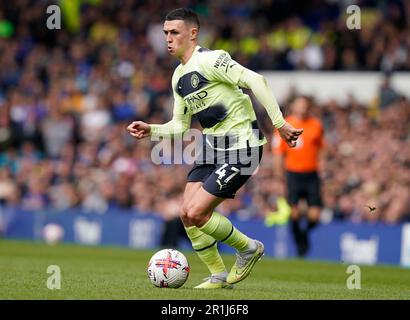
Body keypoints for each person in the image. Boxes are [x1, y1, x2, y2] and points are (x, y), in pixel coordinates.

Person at [127, 8, 303, 289]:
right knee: (186, 212)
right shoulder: (178, 76)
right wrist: (152, 130)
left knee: (197, 212)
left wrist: (280, 124)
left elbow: (257, 81)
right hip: (211, 148)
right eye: (165, 33)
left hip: (243, 146)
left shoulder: (212, 59)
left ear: (193, 33)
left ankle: (248, 248)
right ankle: (219, 275)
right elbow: (180, 125)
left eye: (174, 32)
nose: (168, 39)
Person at [273, 96, 324, 257]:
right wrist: (279, 175)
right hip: (293, 174)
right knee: (294, 213)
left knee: (315, 215)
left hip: (311, 174)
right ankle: (300, 243)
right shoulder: (285, 124)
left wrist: (323, 166)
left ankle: (303, 235)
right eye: (299, 105)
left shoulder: (316, 125)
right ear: (294, 107)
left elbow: (321, 148)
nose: (302, 108)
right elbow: (278, 152)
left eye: (305, 105)